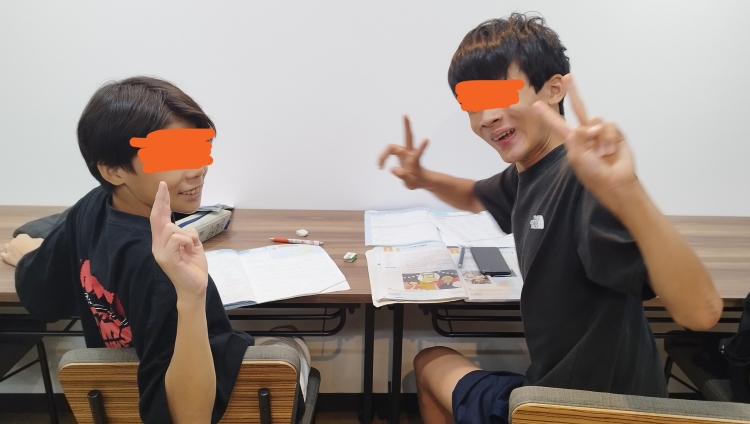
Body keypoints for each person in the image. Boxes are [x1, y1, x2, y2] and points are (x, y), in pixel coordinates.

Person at [378, 13, 723, 424]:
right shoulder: (530, 172)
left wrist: (627, 191)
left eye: (500, 94)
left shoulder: (581, 181)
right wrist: (422, 179)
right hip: (560, 388)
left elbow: (701, 313)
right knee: (436, 362)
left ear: (554, 89)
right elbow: (472, 196)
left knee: (430, 361)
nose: (486, 117)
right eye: (472, 104)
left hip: (583, 411)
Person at [1, 76, 307, 423]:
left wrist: (29, 256)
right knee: (291, 347)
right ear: (113, 170)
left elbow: (40, 298)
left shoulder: (93, 208)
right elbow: (188, 418)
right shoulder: (166, 274)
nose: (199, 169)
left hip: (119, 409)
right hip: (211, 409)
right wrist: (191, 298)